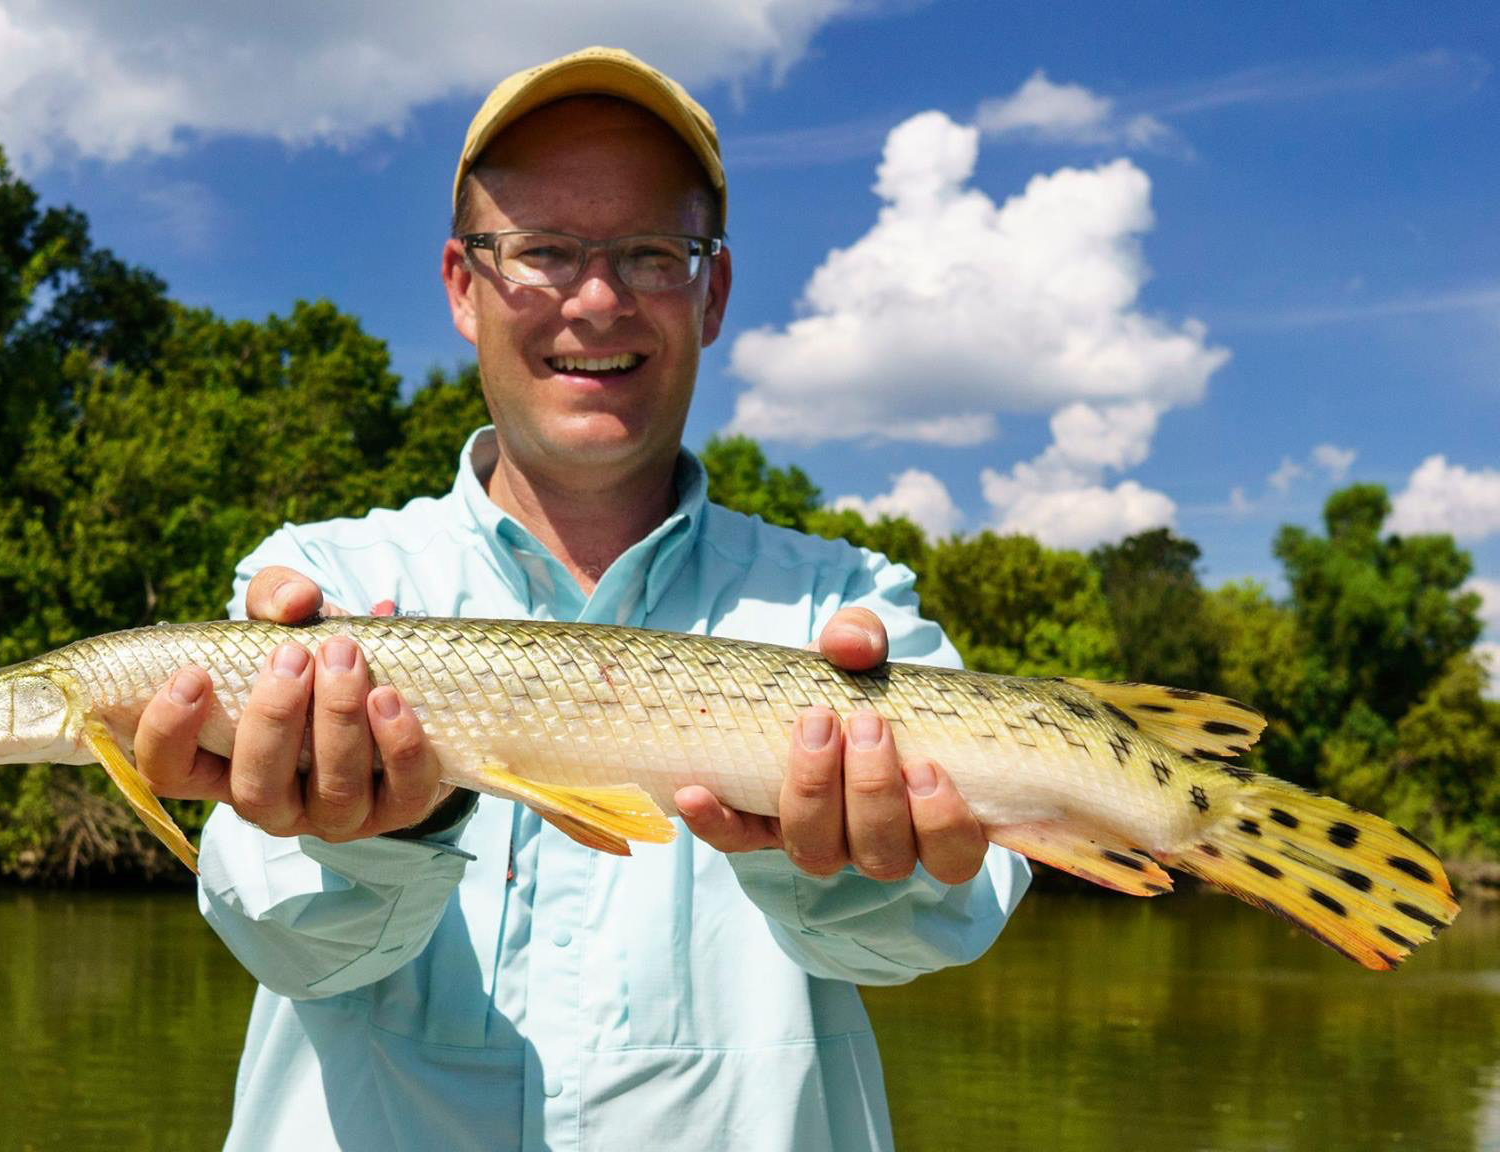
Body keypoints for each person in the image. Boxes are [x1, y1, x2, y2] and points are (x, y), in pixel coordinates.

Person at [132, 46, 1030, 1151]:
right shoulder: (319, 588)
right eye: (543, 252)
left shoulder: (849, 603)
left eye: (651, 254)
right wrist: (386, 830)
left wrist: (847, 867)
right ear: (464, 287)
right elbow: (296, 946)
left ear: (712, 293)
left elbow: (926, 932)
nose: (595, 301)